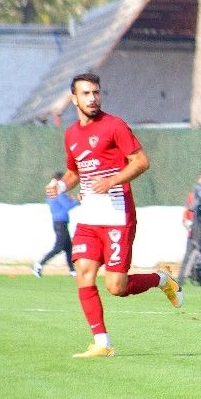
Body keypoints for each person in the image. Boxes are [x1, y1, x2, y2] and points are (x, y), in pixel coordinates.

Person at [46, 72, 182, 358]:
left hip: (118, 217)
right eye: (86, 93)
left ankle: (162, 279)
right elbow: (74, 173)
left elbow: (141, 161)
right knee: (84, 273)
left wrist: (111, 181)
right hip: (89, 220)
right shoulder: (71, 135)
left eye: (96, 92)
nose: (92, 98)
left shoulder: (114, 125)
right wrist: (60, 185)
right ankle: (102, 343)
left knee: (116, 287)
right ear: (74, 99)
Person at [33, 172, 79, 277]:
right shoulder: (58, 192)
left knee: (68, 247)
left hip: (59, 222)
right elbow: (67, 206)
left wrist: (71, 200)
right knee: (58, 247)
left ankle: (72, 271)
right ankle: (38, 265)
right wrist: (77, 201)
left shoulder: (51, 193)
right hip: (60, 223)